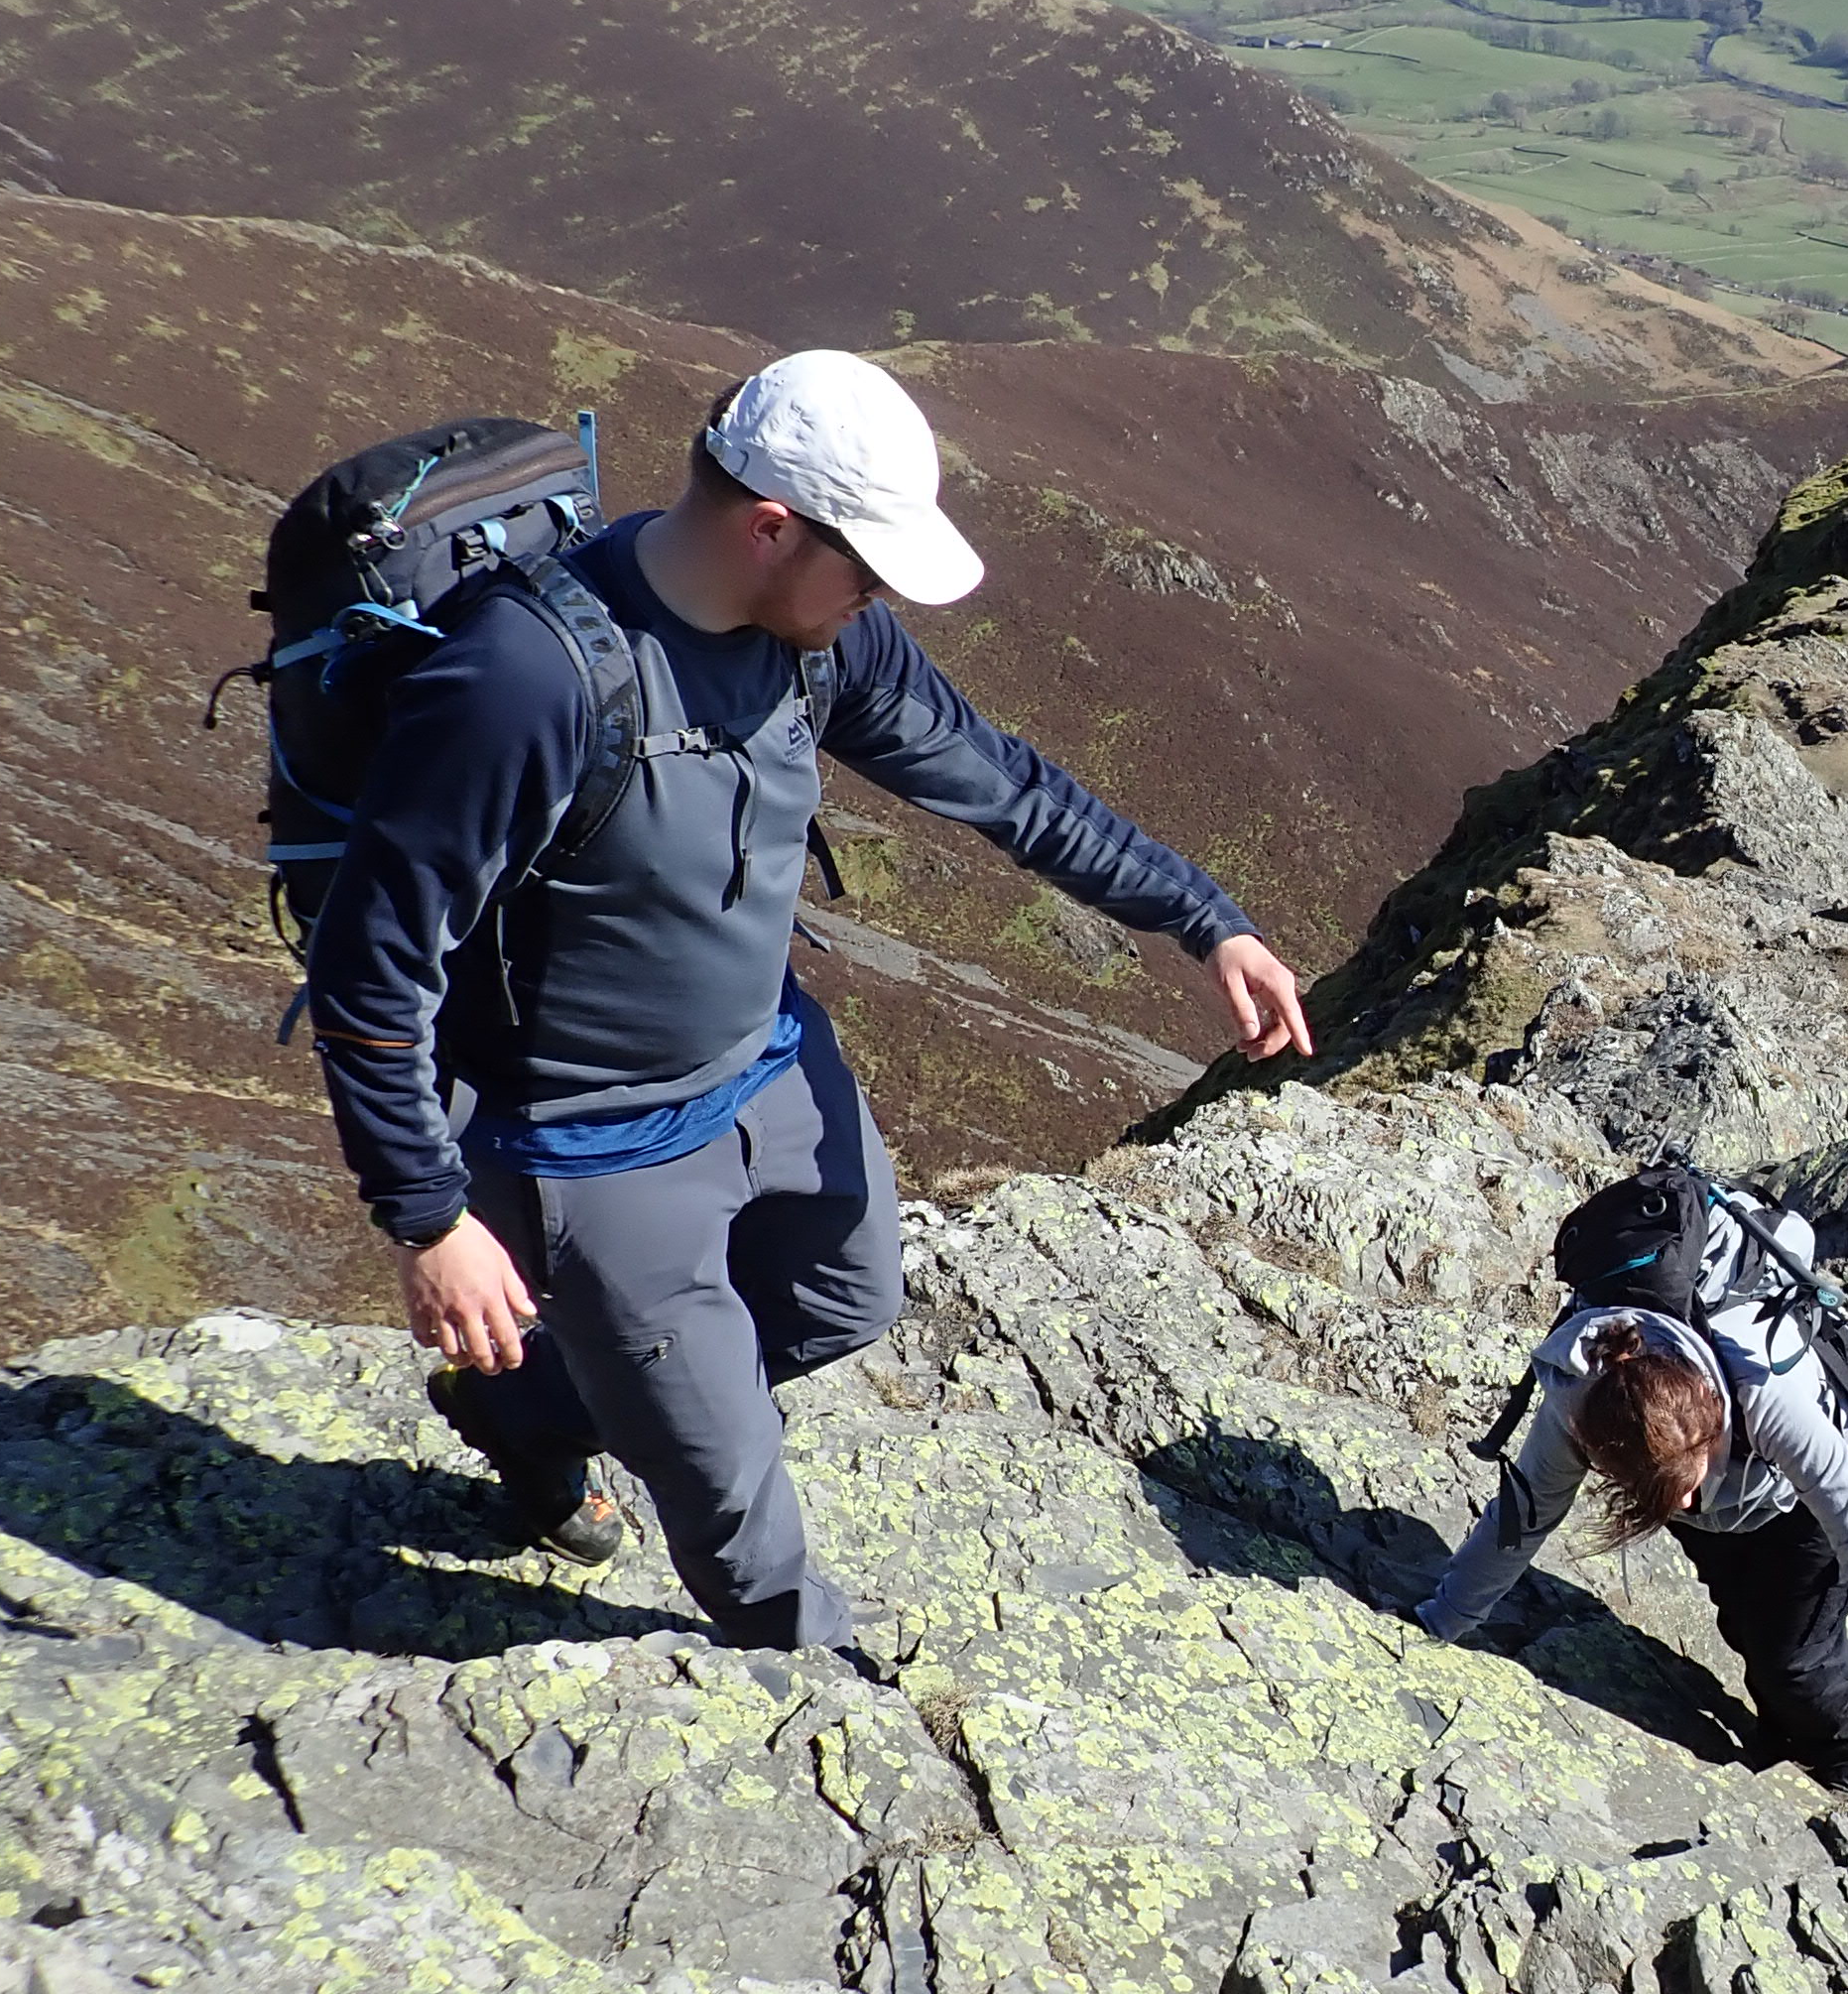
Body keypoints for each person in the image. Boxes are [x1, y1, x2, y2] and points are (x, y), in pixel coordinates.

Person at [305, 350, 1310, 1653]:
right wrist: (430, 1220)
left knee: (848, 1300)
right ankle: (812, 1674)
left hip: (769, 1071)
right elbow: (370, 967)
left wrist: (1204, 917)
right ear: (770, 528)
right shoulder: (525, 682)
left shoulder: (819, 639)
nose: (881, 600)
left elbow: (1005, 785)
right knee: (734, 1502)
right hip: (592, 1150)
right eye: (869, 570)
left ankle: (529, 1407)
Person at [1420, 1192, 1848, 1787]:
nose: (1684, 1508)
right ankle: (1788, 1733)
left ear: (1711, 1431)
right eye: (1659, 1494)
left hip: (1812, 1477)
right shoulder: (1579, 1407)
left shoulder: (1765, 1395)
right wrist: (1439, 1622)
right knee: (1747, 1625)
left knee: (1797, 1658)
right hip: (1729, 1483)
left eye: (1685, 1487)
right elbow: (1521, 1519)